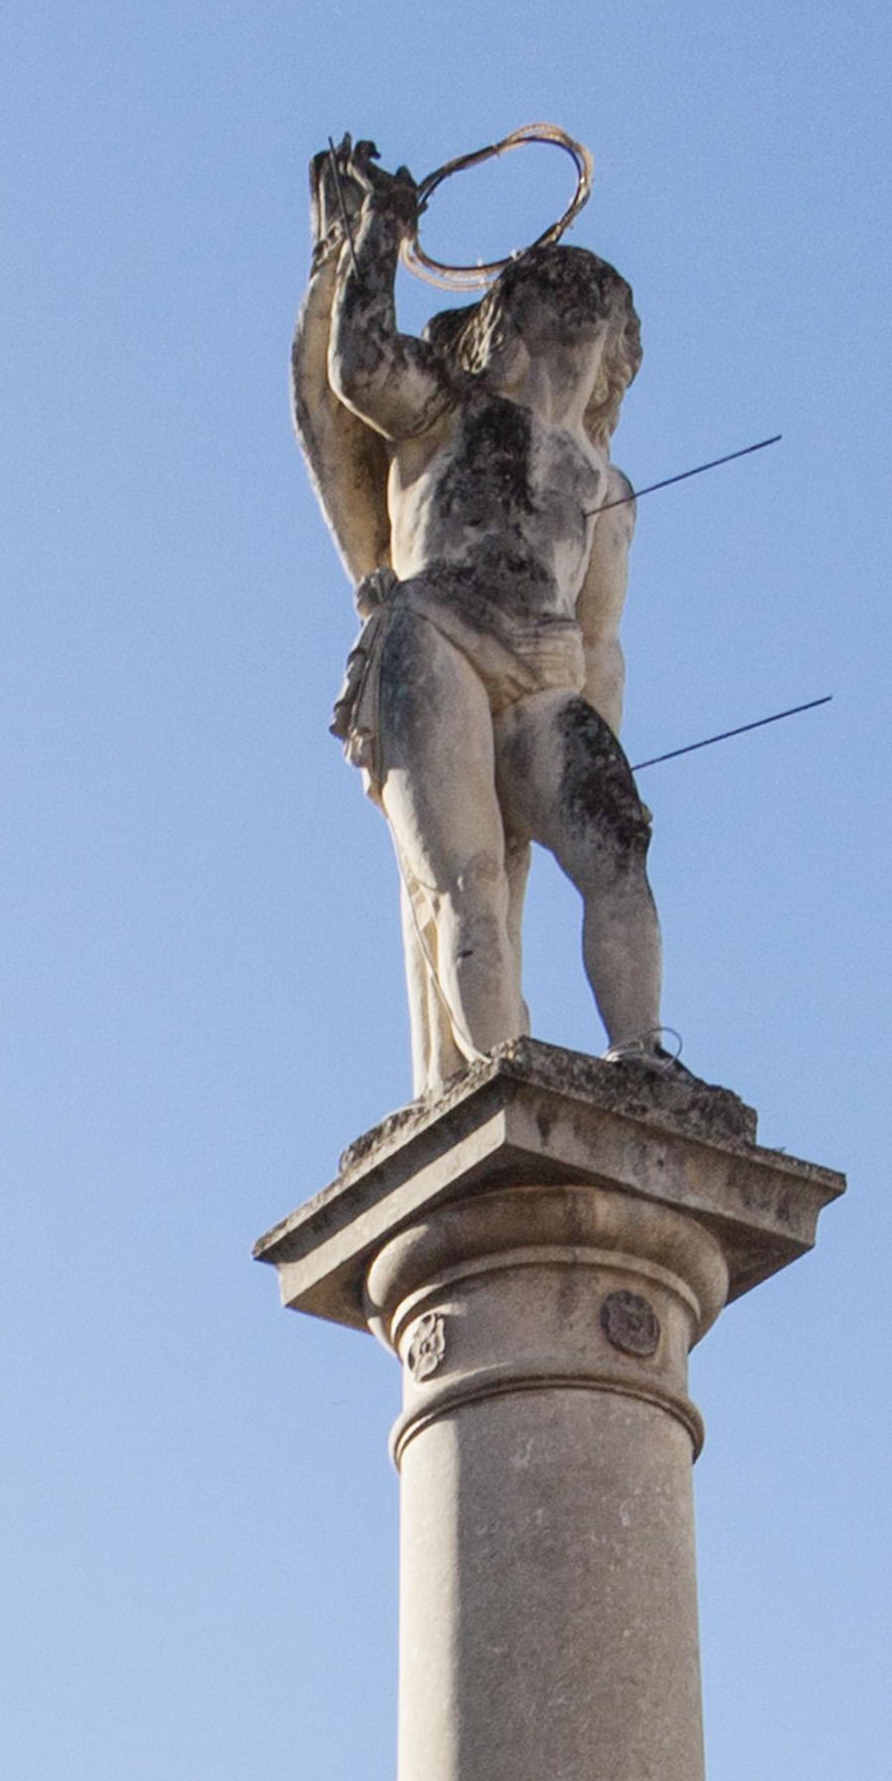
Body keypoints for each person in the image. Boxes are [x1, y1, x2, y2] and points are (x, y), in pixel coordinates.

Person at [291, 136, 669, 1100]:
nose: (580, 311)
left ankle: (643, 1056)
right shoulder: (448, 407)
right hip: (438, 640)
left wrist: (605, 733)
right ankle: (497, 1081)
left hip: (544, 685)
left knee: (616, 845)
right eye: (560, 294)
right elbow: (357, 365)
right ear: (513, 315)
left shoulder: (605, 489)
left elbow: (603, 642)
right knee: (470, 883)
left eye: (598, 307)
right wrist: (380, 230)